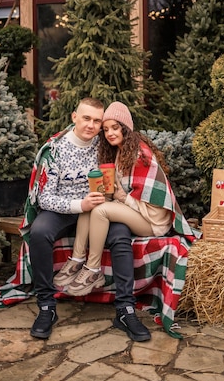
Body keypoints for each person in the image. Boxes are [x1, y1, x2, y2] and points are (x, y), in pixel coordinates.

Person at [25, 97, 151, 342]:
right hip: (63, 210)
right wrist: (78, 205)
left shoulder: (103, 145)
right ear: (74, 117)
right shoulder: (55, 150)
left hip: (98, 210)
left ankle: (125, 310)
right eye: (86, 118)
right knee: (40, 232)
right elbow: (44, 198)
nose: (92, 126)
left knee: (121, 235)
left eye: (97, 121)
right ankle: (46, 306)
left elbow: (128, 154)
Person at [54, 101, 196, 303]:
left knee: (100, 210)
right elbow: (122, 192)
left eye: (115, 127)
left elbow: (153, 209)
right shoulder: (121, 151)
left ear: (126, 128)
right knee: (92, 202)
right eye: (106, 129)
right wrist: (110, 193)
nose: (110, 133)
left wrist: (121, 197)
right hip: (135, 210)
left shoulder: (140, 155)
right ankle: (77, 259)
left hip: (152, 222)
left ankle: (93, 269)